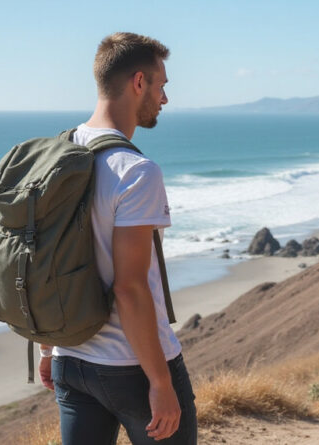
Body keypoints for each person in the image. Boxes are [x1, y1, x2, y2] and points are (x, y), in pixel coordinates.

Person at [36, 32, 197, 445]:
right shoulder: (135, 170)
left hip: (71, 361)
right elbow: (129, 288)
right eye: (162, 87)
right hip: (132, 366)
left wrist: (47, 350)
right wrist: (160, 382)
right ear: (138, 82)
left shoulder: (56, 153)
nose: (164, 99)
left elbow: (38, 258)